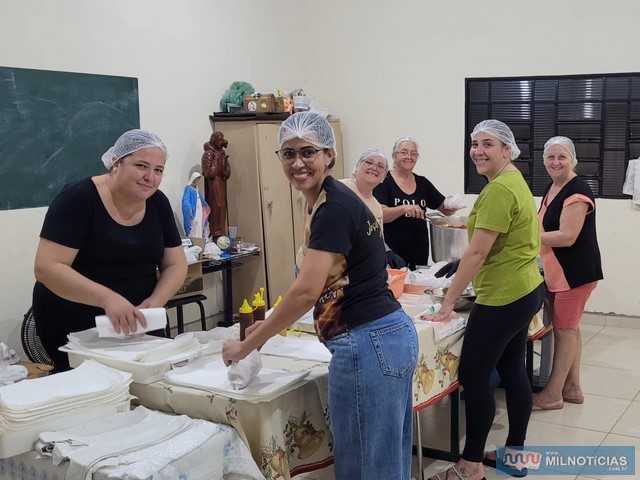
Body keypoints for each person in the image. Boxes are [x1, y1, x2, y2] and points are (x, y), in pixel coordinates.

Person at [222, 112, 418, 480]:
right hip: (384, 336)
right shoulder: (328, 200)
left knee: (367, 469)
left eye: (308, 152)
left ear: (329, 154)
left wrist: (249, 344)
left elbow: (306, 291)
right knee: (379, 464)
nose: (298, 163)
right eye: (288, 153)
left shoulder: (334, 208)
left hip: (368, 342)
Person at [430, 120, 545, 480]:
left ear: (507, 150)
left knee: (474, 375)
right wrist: (460, 264)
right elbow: (499, 241)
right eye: (474, 143)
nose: (478, 151)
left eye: (488, 144)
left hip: (503, 297)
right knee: (512, 368)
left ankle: (470, 465)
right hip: (526, 288)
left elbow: (478, 252)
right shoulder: (514, 180)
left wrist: (448, 302)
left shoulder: (498, 190)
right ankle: (515, 455)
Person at [32, 129, 188, 372]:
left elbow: (176, 264)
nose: (150, 177)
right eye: (141, 166)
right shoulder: (77, 199)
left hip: (138, 325)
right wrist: (108, 299)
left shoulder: (158, 203)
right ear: (116, 163)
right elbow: (47, 268)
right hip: (77, 325)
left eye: (158, 170)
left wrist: (156, 302)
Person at [532, 136, 603, 411]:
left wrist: (524, 239)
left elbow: (567, 236)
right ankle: (572, 388)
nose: (556, 162)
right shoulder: (554, 187)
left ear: (573, 159)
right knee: (570, 328)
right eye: (550, 157)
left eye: (562, 157)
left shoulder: (577, 191)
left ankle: (553, 395)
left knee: (564, 331)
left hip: (574, 274)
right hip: (558, 272)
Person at [373, 136, 459, 270]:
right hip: (393, 253)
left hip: (419, 252)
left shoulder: (422, 182)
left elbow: (444, 209)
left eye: (413, 154)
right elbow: (380, 214)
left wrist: (451, 204)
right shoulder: (384, 181)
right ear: (395, 155)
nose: (409, 157)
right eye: (404, 152)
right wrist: (404, 208)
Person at [339, 148, 406, 269]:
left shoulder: (376, 206)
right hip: (333, 267)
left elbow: (375, 238)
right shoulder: (341, 190)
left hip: (358, 270)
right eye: (369, 162)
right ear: (357, 166)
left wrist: (387, 252)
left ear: (384, 177)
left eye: (380, 166)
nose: (374, 168)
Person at [202, 131, 231, 238]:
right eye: (218, 140)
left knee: (222, 207)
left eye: (221, 140)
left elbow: (227, 168)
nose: (220, 142)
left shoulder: (221, 153)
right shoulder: (208, 154)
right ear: (213, 140)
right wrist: (216, 160)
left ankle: (221, 230)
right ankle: (215, 232)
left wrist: (226, 170)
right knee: (217, 206)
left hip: (221, 182)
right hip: (214, 183)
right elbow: (209, 173)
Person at [182, 171, 210, 237]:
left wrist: (206, 205)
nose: (197, 181)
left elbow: (200, 198)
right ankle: (194, 237)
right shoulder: (188, 188)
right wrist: (189, 208)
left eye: (198, 180)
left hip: (199, 208)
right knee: (194, 222)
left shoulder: (196, 188)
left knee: (199, 222)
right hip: (194, 209)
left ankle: (199, 236)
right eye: (196, 179)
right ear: (193, 179)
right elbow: (185, 200)